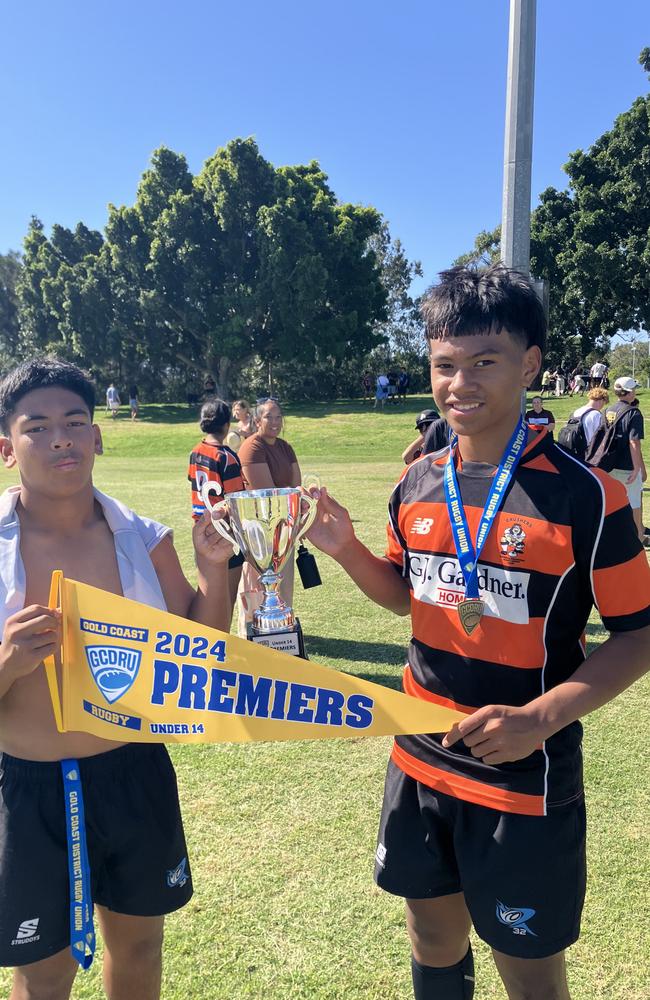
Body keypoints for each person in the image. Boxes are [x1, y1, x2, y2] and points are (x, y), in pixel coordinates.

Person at [306, 265, 650, 1000]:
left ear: (530, 363)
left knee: (528, 969)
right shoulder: (417, 483)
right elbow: (407, 600)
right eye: (445, 364)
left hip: (524, 773)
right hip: (421, 753)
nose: (460, 383)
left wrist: (538, 719)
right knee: (431, 937)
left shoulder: (589, 496)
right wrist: (345, 551)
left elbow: (639, 634)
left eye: (484, 361)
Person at [0, 358, 233, 1000]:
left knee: (137, 946)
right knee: (43, 972)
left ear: (97, 436)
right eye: (38, 427)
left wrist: (218, 575)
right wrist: (9, 662)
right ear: (7, 448)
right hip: (28, 785)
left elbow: (202, 652)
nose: (61, 440)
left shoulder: (142, 540)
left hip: (132, 771)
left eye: (76, 422)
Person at [236, 398, 302, 638]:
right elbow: (268, 494)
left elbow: (296, 486)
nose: (275, 422)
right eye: (268, 417)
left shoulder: (285, 447)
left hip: (285, 527)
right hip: (260, 530)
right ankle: (251, 633)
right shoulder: (251, 447)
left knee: (284, 582)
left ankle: (281, 630)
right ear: (256, 420)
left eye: (278, 417)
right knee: (256, 585)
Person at [188, 397, 246, 616]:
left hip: (201, 531)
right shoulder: (227, 457)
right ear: (226, 425)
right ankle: (225, 645)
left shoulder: (195, 452)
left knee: (208, 596)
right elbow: (236, 500)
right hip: (224, 534)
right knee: (225, 602)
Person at [602, 377, 647, 542]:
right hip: (627, 466)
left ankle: (611, 538)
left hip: (609, 465)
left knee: (612, 503)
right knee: (635, 504)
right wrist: (637, 468)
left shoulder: (608, 410)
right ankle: (638, 540)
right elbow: (634, 442)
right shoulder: (633, 412)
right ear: (629, 392)